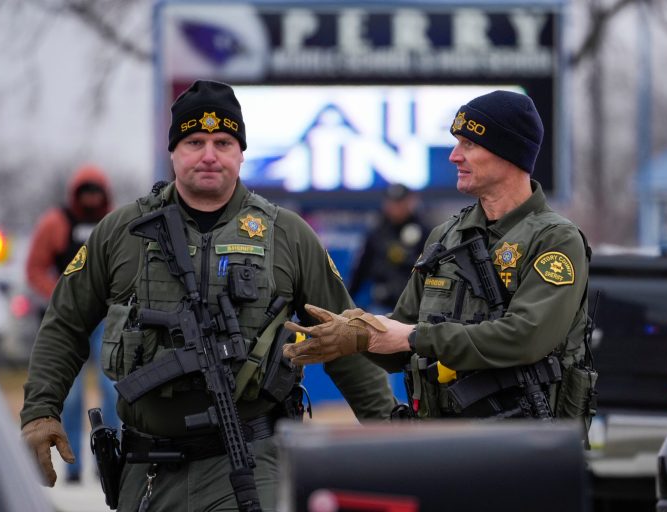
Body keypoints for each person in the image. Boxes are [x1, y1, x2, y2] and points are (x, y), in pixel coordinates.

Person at [20, 80, 395, 510]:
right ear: (174, 151)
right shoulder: (120, 232)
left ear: (241, 152)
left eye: (223, 141)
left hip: (250, 463)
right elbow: (65, 324)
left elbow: (341, 340)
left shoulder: (287, 235)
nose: (209, 154)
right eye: (194, 141)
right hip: (147, 470)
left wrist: (393, 437)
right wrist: (40, 410)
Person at [284, 90, 595, 428]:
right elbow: (404, 333)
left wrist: (413, 336)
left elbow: (525, 337)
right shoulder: (446, 236)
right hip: (437, 443)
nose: (454, 156)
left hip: (521, 448)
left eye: (469, 145)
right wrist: (361, 335)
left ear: (508, 154)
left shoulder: (555, 239)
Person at [25, 164, 119, 483]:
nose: (92, 199)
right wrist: (62, 298)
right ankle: (74, 466)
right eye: (86, 193)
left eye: (97, 193)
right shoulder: (56, 222)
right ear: (76, 195)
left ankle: (111, 458)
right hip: (69, 321)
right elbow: (35, 268)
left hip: (105, 319)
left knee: (113, 388)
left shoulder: (113, 222)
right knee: (73, 395)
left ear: (105, 195)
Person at [348, 183, 431, 314]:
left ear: (411, 202)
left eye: (400, 202)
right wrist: (347, 298)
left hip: (415, 305)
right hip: (382, 302)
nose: (396, 207)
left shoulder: (425, 231)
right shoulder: (377, 232)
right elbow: (361, 269)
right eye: (392, 202)